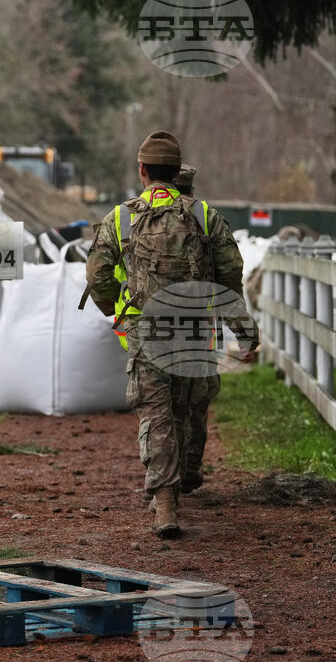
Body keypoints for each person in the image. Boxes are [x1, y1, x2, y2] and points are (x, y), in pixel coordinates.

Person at [85, 131, 259, 538]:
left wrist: (115, 307)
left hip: (148, 331)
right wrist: (243, 329)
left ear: (142, 171)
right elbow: (230, 274)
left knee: (157, 413)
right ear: (178, 172)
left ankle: (165, 503)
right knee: (191, 405)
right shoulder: (203, 215)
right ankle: (187, 477)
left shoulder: (121, 217)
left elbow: (97, 274)